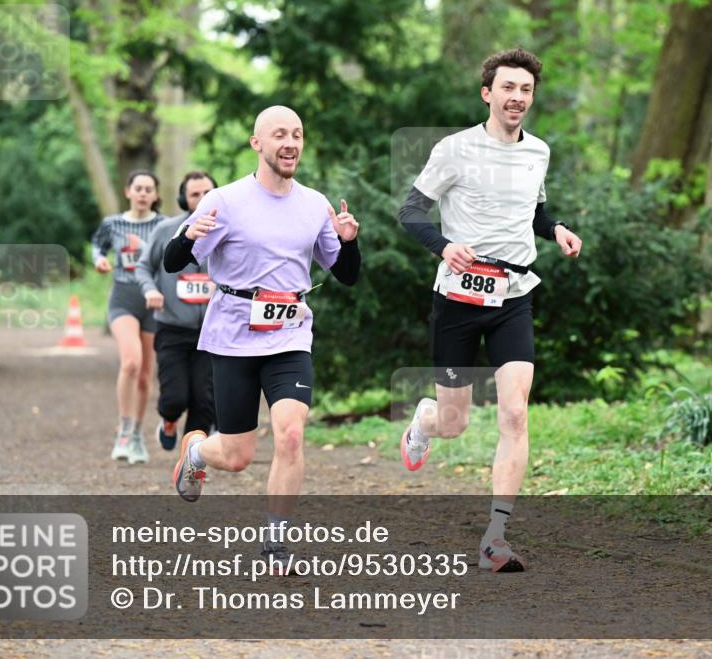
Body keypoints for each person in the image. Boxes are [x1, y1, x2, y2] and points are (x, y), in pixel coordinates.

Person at [397, 48, 582, 572]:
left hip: (514, 296)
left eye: (525, 90)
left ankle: (495, 537)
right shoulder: (454, 149)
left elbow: (535, 213)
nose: (517, 98)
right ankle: (425, 422)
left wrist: (558, 230)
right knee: (454, 422)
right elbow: (410, 212)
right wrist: (443, 246)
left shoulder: (538, 152)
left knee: (515, 411)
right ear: (488, 93)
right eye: (508, 88)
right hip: (457, 298)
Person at [164, 106, 361, 568]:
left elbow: (346, 276)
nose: (290, 142)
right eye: (279, 135)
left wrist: (349, 241)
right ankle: (196, 451)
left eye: (297, 134)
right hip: (233, 336)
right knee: (236, 456)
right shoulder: (225, 201)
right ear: (257, 143)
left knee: (290, 434)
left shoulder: (315, 204)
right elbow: (175, 262)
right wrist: (188, 236)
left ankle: (275, 542)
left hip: (291, 334)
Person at [135, 170, 218, 451]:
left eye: (207, 193)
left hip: (211, 332)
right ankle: (168, 420)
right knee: (175, 398)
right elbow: (144, 266)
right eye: (195, 194)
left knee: (204, 401)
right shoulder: (165, 230)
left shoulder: (228, 232)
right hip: (172, 329)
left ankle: (191, 459)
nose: (202, 199)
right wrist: (150, 290)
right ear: (184, 199)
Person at [91, 170, 166, 464]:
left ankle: (136, 433)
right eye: (138, 188)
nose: (144, 193)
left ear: (156, 195)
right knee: (131, 362)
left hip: (153, 300)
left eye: (149, 189)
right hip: (123, 297)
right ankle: (122, 430)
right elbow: (98, 245)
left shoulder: (163, 225)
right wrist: (99, 259)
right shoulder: (113, 224)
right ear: (128, 192)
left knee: (146, 377)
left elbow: (172, 256)